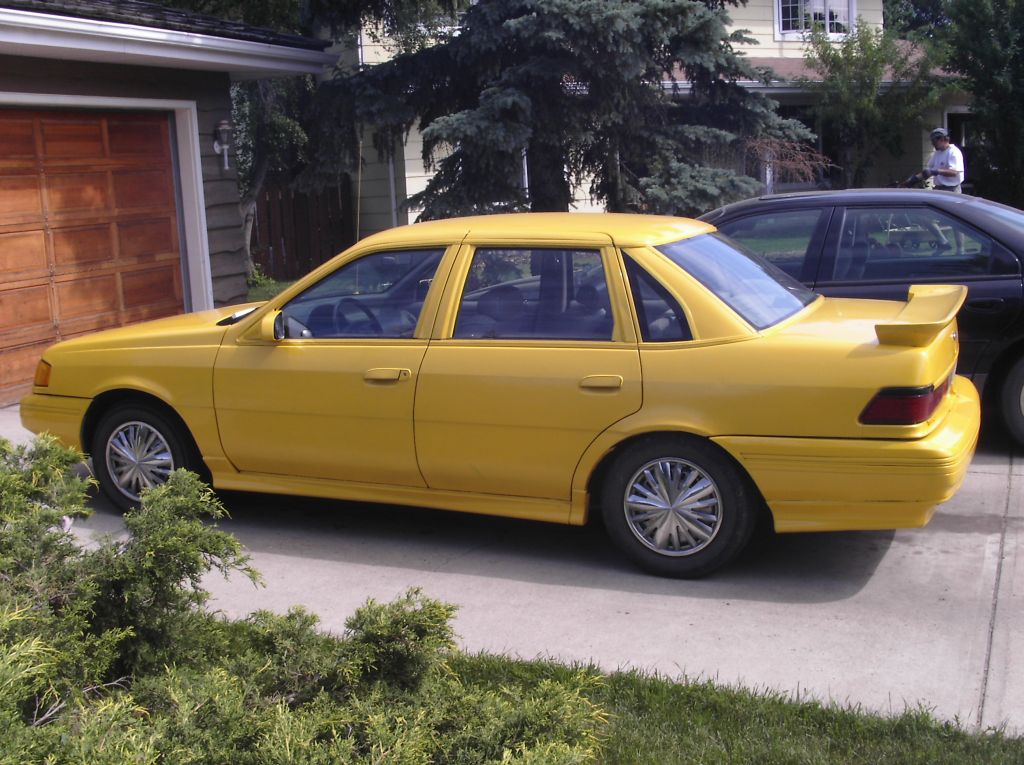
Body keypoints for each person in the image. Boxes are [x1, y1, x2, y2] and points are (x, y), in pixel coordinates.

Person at [905, 127, 965, 192]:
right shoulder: (937, 153)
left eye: (934, 141)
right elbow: (928, 171)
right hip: (939, 188)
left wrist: (936, 171)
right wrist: (912, 180)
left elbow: (954, 172)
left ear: (942, 139)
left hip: (952, 190)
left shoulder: (953, 151)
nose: (932, 144)